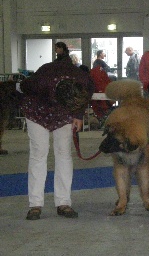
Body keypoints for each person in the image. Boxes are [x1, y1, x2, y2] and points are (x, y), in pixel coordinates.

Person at [20, 42, 95, 220]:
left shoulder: (81, 78)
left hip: (64, 113)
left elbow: (89, 90)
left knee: (64, 154)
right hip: (37, 110)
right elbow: (24, 86)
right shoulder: (41, 81)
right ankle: (35, 205)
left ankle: (64, 202)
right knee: (39, 153)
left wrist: (77, 114)